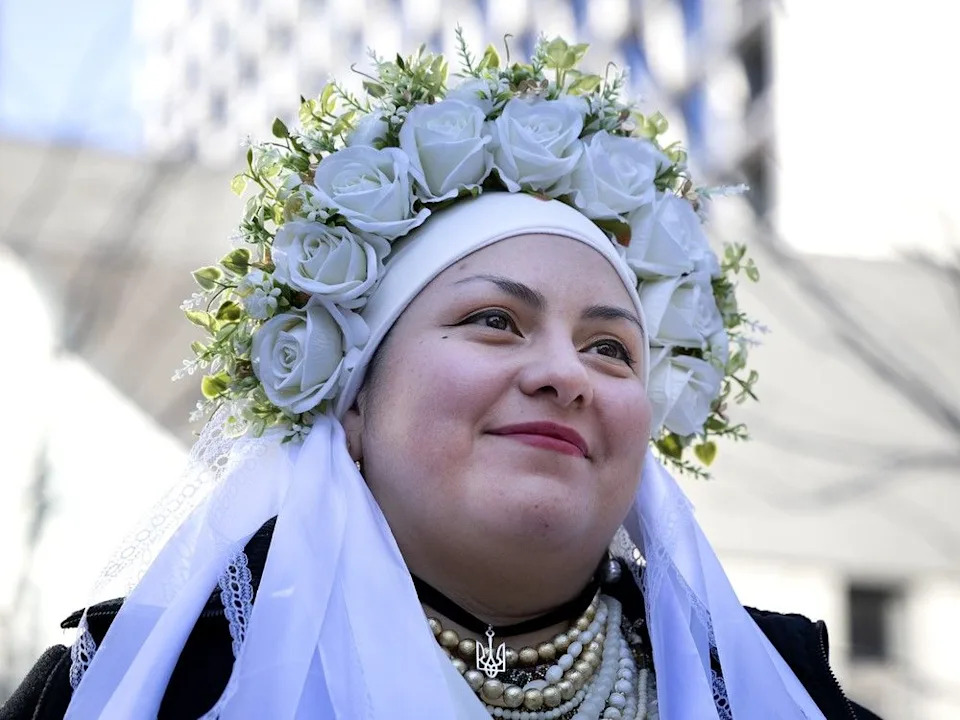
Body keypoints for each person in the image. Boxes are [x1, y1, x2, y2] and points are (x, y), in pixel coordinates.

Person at [1, 34, 881, 720]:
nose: (565, 375)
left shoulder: (787, 694)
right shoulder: (133, 688)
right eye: (495, 321)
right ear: (349, 401)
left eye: (611, 348)